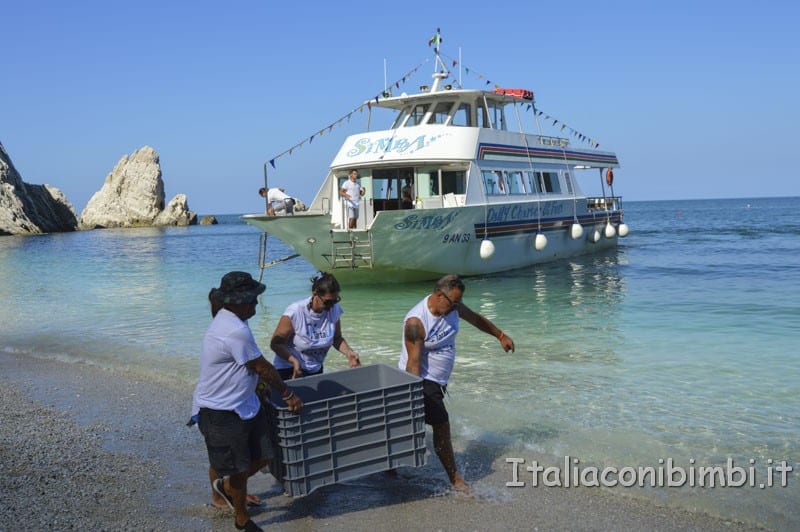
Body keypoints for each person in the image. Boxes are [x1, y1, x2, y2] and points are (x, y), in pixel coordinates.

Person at [193, 271, 303, 532]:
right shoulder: (234, 329)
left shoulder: (227, 317)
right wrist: (288, 394)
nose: (256, 304)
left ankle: (224, 490)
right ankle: (241, 519)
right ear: (236, 301)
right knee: (238, 467)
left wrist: (259, 386)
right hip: (222, 410)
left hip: (241, 404)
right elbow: (263, 367)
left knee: (263, 456)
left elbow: (246, 368)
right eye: (252, 299)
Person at [399, 274, 514, 493]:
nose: (457, 308)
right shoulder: (416, 322)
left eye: (459, 303)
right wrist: (411, 397)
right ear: (438, 295)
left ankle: (390, 464)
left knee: (409, 428)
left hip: (438, 382)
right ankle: (456, 480)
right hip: (422, 380)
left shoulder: (453, 307)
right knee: (442, 425)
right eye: (454, 303)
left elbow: (476, 318)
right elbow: (413, 365)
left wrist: (500, 335)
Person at [270, 272, 360, 380]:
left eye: (335, 301)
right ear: (315, 294)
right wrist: (293, 361)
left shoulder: (334, 309)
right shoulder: (296, 312)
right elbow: (275, 343)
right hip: (289, 368)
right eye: (327, 302)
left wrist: (348, 353)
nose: (331, 306)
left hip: (315, 368)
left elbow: (337, 339)